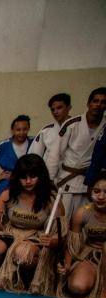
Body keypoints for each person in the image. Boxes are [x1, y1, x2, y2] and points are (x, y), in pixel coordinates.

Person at [0, 154, 64, 294]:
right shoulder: (8, 194)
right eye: (23, 177)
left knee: (22, 252)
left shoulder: (51, 199)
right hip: (11, 234)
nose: (28, 181)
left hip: (36, 241)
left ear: (41, 176)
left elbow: (62, 235)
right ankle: (13, 274)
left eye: (33, 177)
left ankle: (30, 276)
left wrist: (52, 241)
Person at [46, 87, 106, 219]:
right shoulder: (72, 124)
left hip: (91, 183)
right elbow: (55, 154)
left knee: (85, 220)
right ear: (88, 103)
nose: (98, 105)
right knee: (62, 219)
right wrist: (49, 179)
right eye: (95, 101)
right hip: (68, 181)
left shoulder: (105, 127)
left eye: (103, 102)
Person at [57, 171, 106, 298]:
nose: (101, 197)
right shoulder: (82, 212)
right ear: (90, 192)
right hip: (92, 255)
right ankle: (94, 281)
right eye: (97, 191)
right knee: (78, 287)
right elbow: (73, 243)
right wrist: (67, 265)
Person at [0, 115, 33, 199]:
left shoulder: (34, 142)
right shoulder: (3, 145)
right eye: (18, 130)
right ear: (12, 131)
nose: (21, 132)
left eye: (24, 129)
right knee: (3, 209)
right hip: (8, 184)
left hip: (29, 183)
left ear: (29, 129)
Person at [29, 93, 72, 160]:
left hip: (72, 168)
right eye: (52, 109)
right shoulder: (46, 131)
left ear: (69, 107)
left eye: (59, 108)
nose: (55, 112)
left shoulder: (78, 127)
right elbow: (34, 155)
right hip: (49, 168)